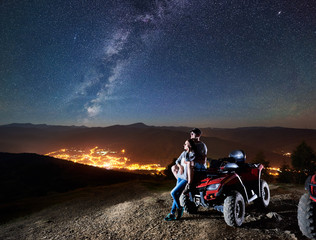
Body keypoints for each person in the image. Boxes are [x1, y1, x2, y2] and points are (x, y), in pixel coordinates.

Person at [164, 139, 196, 221]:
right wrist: (180, 166)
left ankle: (179, 208)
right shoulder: (184, 153)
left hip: (185, 178)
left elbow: (189, 162)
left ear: (190, 146)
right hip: (180, 176)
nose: (184, 145)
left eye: (185, 144)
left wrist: (185, 161)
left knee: (173, 193)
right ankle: (172, 213)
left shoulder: (193, 155)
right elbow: (177, 161)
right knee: (176, 195)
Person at [183, 128, 208, 194]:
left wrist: (192, 161)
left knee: (189, 164)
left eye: (192, 134)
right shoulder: (191, 145)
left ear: (198, 135)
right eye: (190, 134)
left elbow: (203, 160)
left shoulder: (202, 145)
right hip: (193, 163)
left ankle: (189, 184)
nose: (190, 135)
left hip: (200, 165)